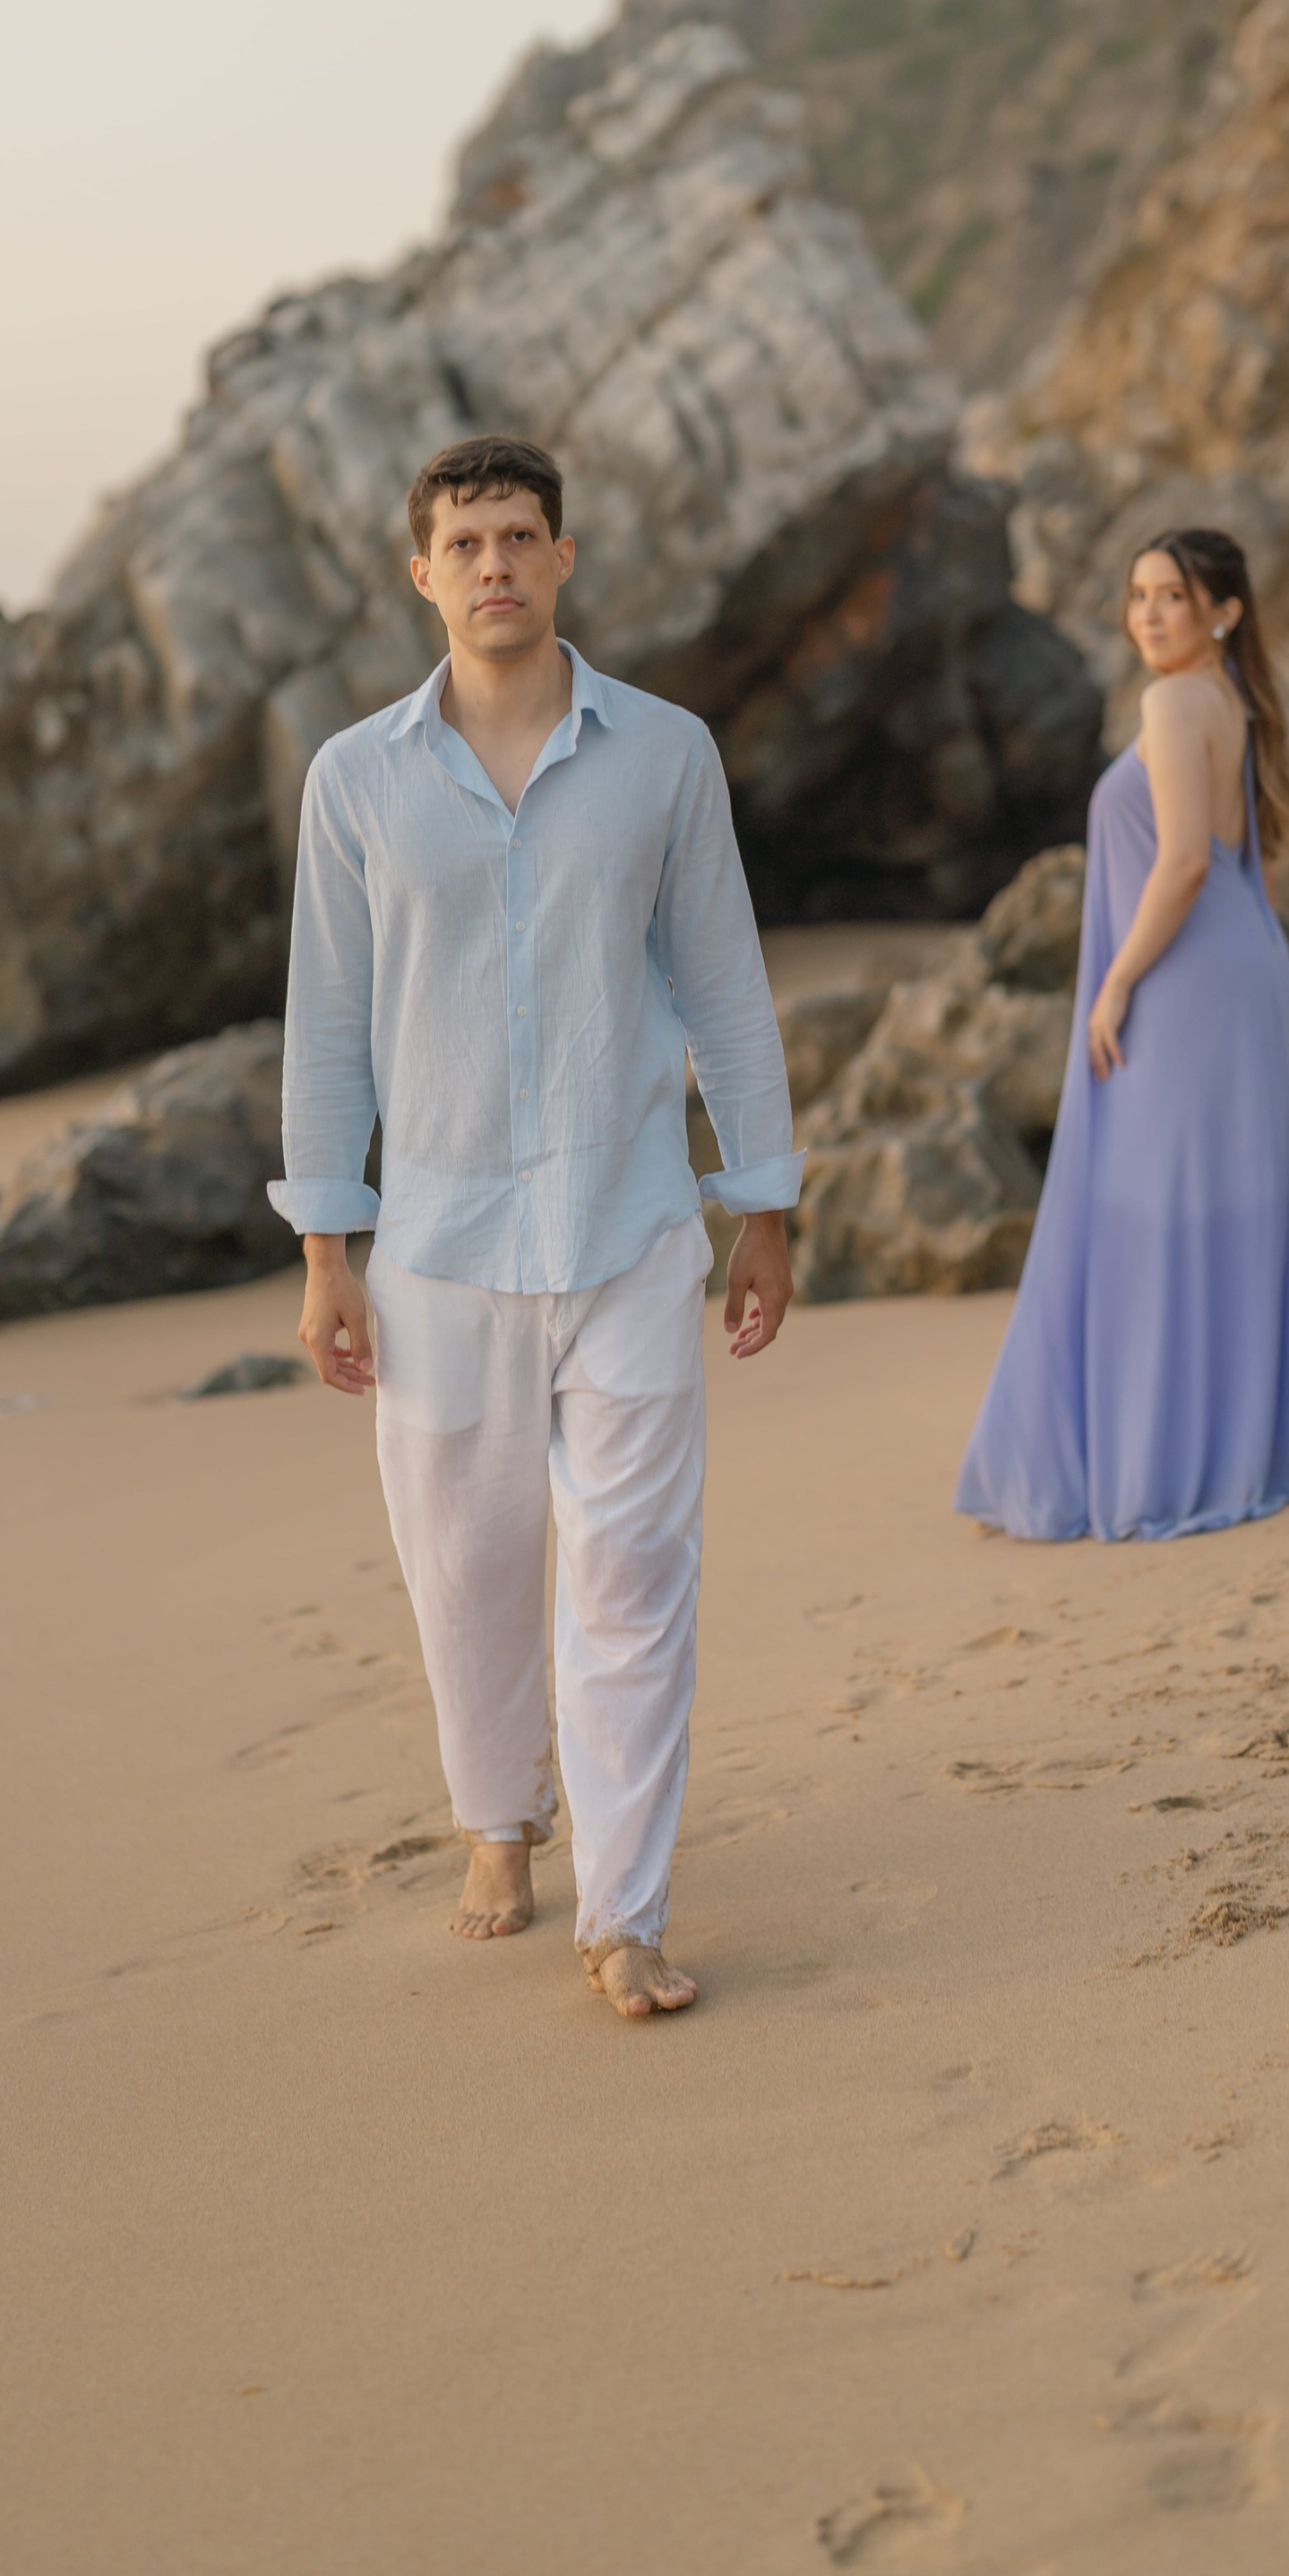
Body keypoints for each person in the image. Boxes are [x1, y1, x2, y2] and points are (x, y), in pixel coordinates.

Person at [271, 434, 802, 2020]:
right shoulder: (357, 777)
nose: (494, 563)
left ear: (564, 557)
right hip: (436, 1248)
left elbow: (723, 984)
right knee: (470, 1564)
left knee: (633, 1573)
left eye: (520, 535)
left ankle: (623, 1913)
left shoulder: (664, 754)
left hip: (631, 1224)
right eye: (465, 541)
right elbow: (327, 1026)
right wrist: (326, 1247)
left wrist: (760, 1202)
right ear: (420, 572)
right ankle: (498, 1817)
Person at [956, 527, 1289, 1543]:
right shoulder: (1233, 699)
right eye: (1136, 595)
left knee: (1152, 1206)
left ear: (1222, 609)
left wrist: (1116, 982)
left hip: (1182, 980)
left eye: (1170, 595)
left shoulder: (1176, 701)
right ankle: (1237, 1433)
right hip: (1241, 970)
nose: (1147, 614)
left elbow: (1179, 864)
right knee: (1218, 1202)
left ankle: (1171, 1456)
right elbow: (1227, 858)